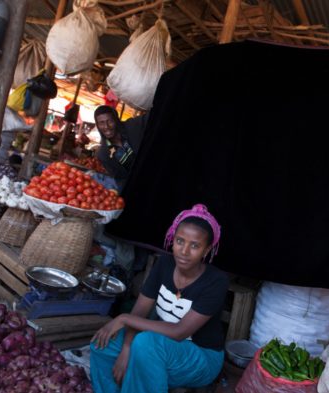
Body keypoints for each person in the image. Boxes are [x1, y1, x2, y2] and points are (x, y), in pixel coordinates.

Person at [90, 204, 229, 393]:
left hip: (201, 358)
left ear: (206, 250)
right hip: (159, 348)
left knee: (146, 344)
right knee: (102, 343)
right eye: (180, 241)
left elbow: (180, 332)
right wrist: (127, 348)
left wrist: (122, 318)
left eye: (195, 245)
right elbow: (139, 312)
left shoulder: (216, 281)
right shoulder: (164, 264)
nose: (184, 251)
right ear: (173, 240)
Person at [94, 105, 148, 192]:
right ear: (97, 125)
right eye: (101, 123)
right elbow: (121, 178)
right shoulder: (103, 154)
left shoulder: (133, 126)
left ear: (116, 119)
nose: (106, 126)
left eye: (110, 121)